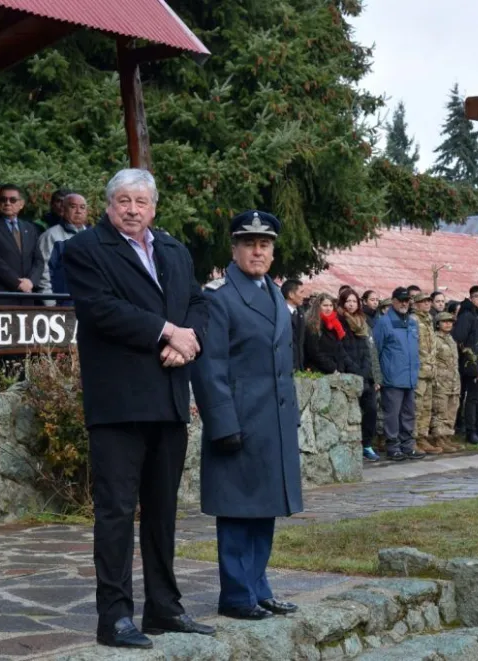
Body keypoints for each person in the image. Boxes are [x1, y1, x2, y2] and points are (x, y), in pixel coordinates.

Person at [62, 169, 212, 649]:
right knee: (116, 514)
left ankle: (165, 609)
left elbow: (197, 304)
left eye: (141, 201)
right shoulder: (85, 250)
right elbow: (100, 309)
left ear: (154, 206)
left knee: (164, 512)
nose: (132, 209)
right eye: (123, 200)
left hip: (168, 396)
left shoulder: (173, 249)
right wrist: (168, 332)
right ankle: (115, 618)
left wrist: (189, 343)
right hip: (120, 405)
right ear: (109, 205)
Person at [191, 210, 302, 621]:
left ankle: (259, 587)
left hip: (271, 422)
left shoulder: (274, 294)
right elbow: (209, 367)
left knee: (265, 508)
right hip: (238, 421)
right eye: (249, 243)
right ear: (234, 249)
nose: (258, 251)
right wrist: (222, 423)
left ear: (272, 252)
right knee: (238, 510)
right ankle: (237, 595)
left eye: (265, 244)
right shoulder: (219, 298)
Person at [373, 287, 425, 461]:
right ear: (393, 301)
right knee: (392, 415)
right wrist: (378, 376)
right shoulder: (383, 322)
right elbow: (376, 350)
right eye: (401, 300)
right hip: (392, 377)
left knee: (409, 413)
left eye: (407, 300)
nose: (404, 303)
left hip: (410, 376)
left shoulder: (412, 322)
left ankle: (408, 446)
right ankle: (393, 447)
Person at [0, 184, 44, 306]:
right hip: (0, 296)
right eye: (3, 199)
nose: (7, 203)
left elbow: (38, 260)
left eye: (12, 200)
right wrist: (17, 283)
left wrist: (31, 282)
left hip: (26, 296)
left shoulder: (30, 228)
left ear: (21, 204)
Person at [338, 288, 381, 461]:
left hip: (366, 373)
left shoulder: (362, 322)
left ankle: (367, 445)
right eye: (347, 301)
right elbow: (340, 350)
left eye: (354, 301)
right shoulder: (339, 321)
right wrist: (354, 368)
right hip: (348, 372)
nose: (351, 304)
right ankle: (350, 446)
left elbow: (369, 351)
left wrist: (373, 376)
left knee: (371, 410)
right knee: (349, 413)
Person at [453, 285, 478, 445]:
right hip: (473, 364)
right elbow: (459, 337)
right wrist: (470, 356)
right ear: (470, 298)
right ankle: (471, 432)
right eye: (477, 297)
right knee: (473, 399)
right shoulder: (467, 315)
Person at [39, 192, 89, 306]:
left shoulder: (93, 236)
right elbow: (43, 272)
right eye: (73, 207)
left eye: (82, 207)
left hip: (88, 306)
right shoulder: (51, 236)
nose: (78, 211)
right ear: (64, 210)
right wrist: (50, 304)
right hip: (61, 305)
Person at [411, 293, 441, 454]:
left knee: (427, 407)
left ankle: (423, 437)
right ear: (415, 304)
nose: (427, 304)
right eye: (423, 302)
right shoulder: (413, 320)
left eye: (429, 301)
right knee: (416, 406)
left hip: (430, 370)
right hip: (419, 370)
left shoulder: (428, 319)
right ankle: (413, 439)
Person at [303, 292, 358, 377]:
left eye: (330, 305)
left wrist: (344, 368)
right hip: (319, 373)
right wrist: (333, 368)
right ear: (318, 307)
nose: (328, 308)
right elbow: (314, 352)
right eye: (325, 305)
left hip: (336, 371)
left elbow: (339, 349)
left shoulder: (335, 323)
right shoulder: (313, 325)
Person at [430, 312, 462, 452]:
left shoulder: (450, 339)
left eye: (450, 321)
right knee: (440, 411)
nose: (448, 324)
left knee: (451, 411)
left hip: (453, 381)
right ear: (438, 323)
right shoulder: (434, 339)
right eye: (444, 321)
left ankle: (447, 437)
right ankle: (439, 439)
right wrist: (435, 379)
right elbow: (431, 360)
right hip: (440, 381)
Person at [280, 278, 307, 372]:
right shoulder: (279, 314)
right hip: (284, 367)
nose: (304, 296)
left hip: (299, 366)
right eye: (301, 292)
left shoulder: (301, 314)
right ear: (291, 294)